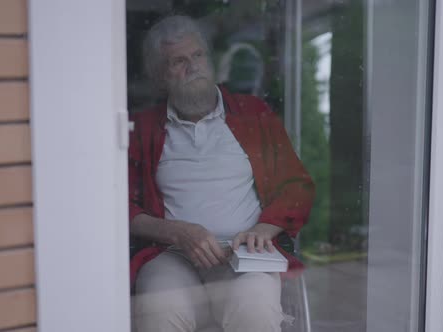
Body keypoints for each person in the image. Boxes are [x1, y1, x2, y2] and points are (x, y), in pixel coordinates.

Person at [128, 15, 315, 332]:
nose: (192, 66)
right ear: (161, 76)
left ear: (210, 60)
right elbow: (119, 205)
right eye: (178, 61)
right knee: (160, 311)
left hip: (246, 254)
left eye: (198, 55)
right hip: (172, 254)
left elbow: (295, 186)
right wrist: (176, 232)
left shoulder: (253, 113)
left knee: (255, 309)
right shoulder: (142, 127)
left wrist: (263, 230)